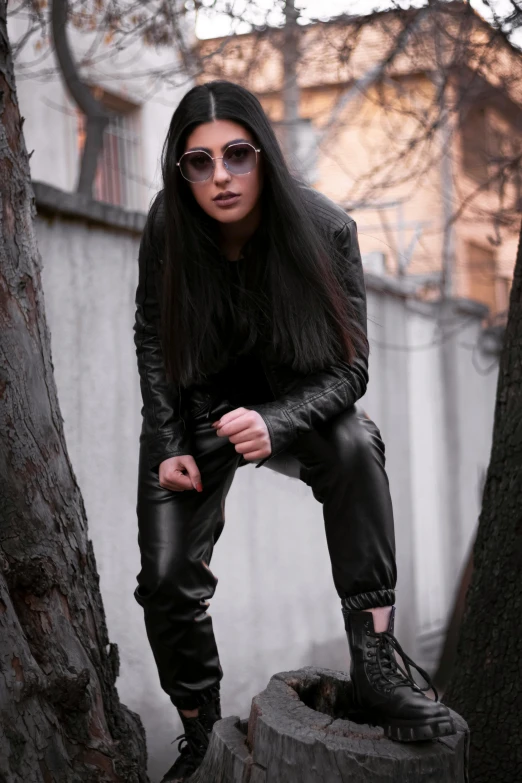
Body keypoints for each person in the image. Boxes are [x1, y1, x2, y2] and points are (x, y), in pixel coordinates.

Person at [133, 80, 456, 783]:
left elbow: (352, 368)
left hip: (299, 399)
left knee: (353, 443)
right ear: (181, 170)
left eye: (237, 155)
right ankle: (198, 733)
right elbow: (154, 338)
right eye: (199, 161)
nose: (220, 176)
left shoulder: (326, 228)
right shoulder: (169, 226)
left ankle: (375, 665)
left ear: (264, 156)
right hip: (197, 413)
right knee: (165, 577)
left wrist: (277, 420)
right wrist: (168, 444)